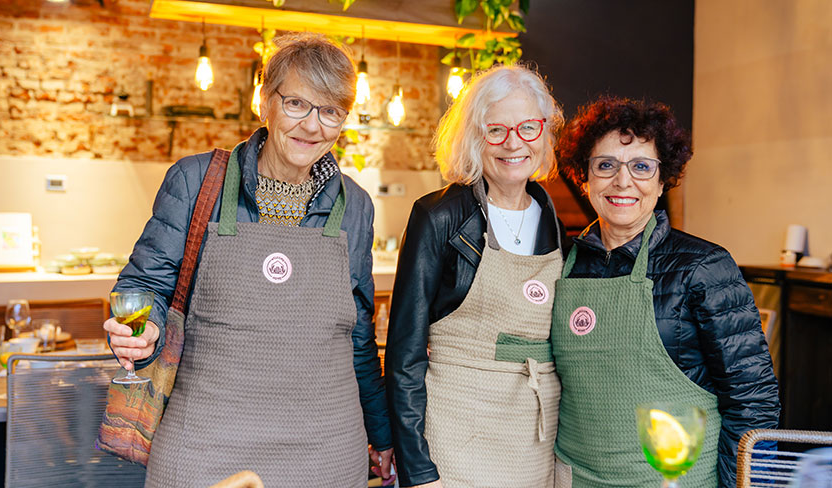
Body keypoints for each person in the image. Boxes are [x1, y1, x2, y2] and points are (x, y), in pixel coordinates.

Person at [103, 33, 392, 488]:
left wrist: (382, 432)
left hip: (326, 453)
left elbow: (357, 334)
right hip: (206, 446)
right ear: (264, 101)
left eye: (331, 111)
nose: (312, 126)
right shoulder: (196, 181)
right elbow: (144, 287)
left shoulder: (355, 207)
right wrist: (143, 332)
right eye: (296, 103)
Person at [552, 96, 779, 487]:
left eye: (642, 167)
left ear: (662, 181)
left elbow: (753, 402)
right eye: (606, 165)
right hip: (576, 480)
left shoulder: (703, 267)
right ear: (584, 178)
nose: (623, 181)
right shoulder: (561, 263)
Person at [385, 65, 566, 488]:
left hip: (535, 439)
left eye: (527, 127)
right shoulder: (439, 217)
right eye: (496, 130)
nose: (513, 143)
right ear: (473, 136)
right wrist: (418, 469)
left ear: (543, 133)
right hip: (456, 434)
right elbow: (404, 355)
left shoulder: (556, 225)